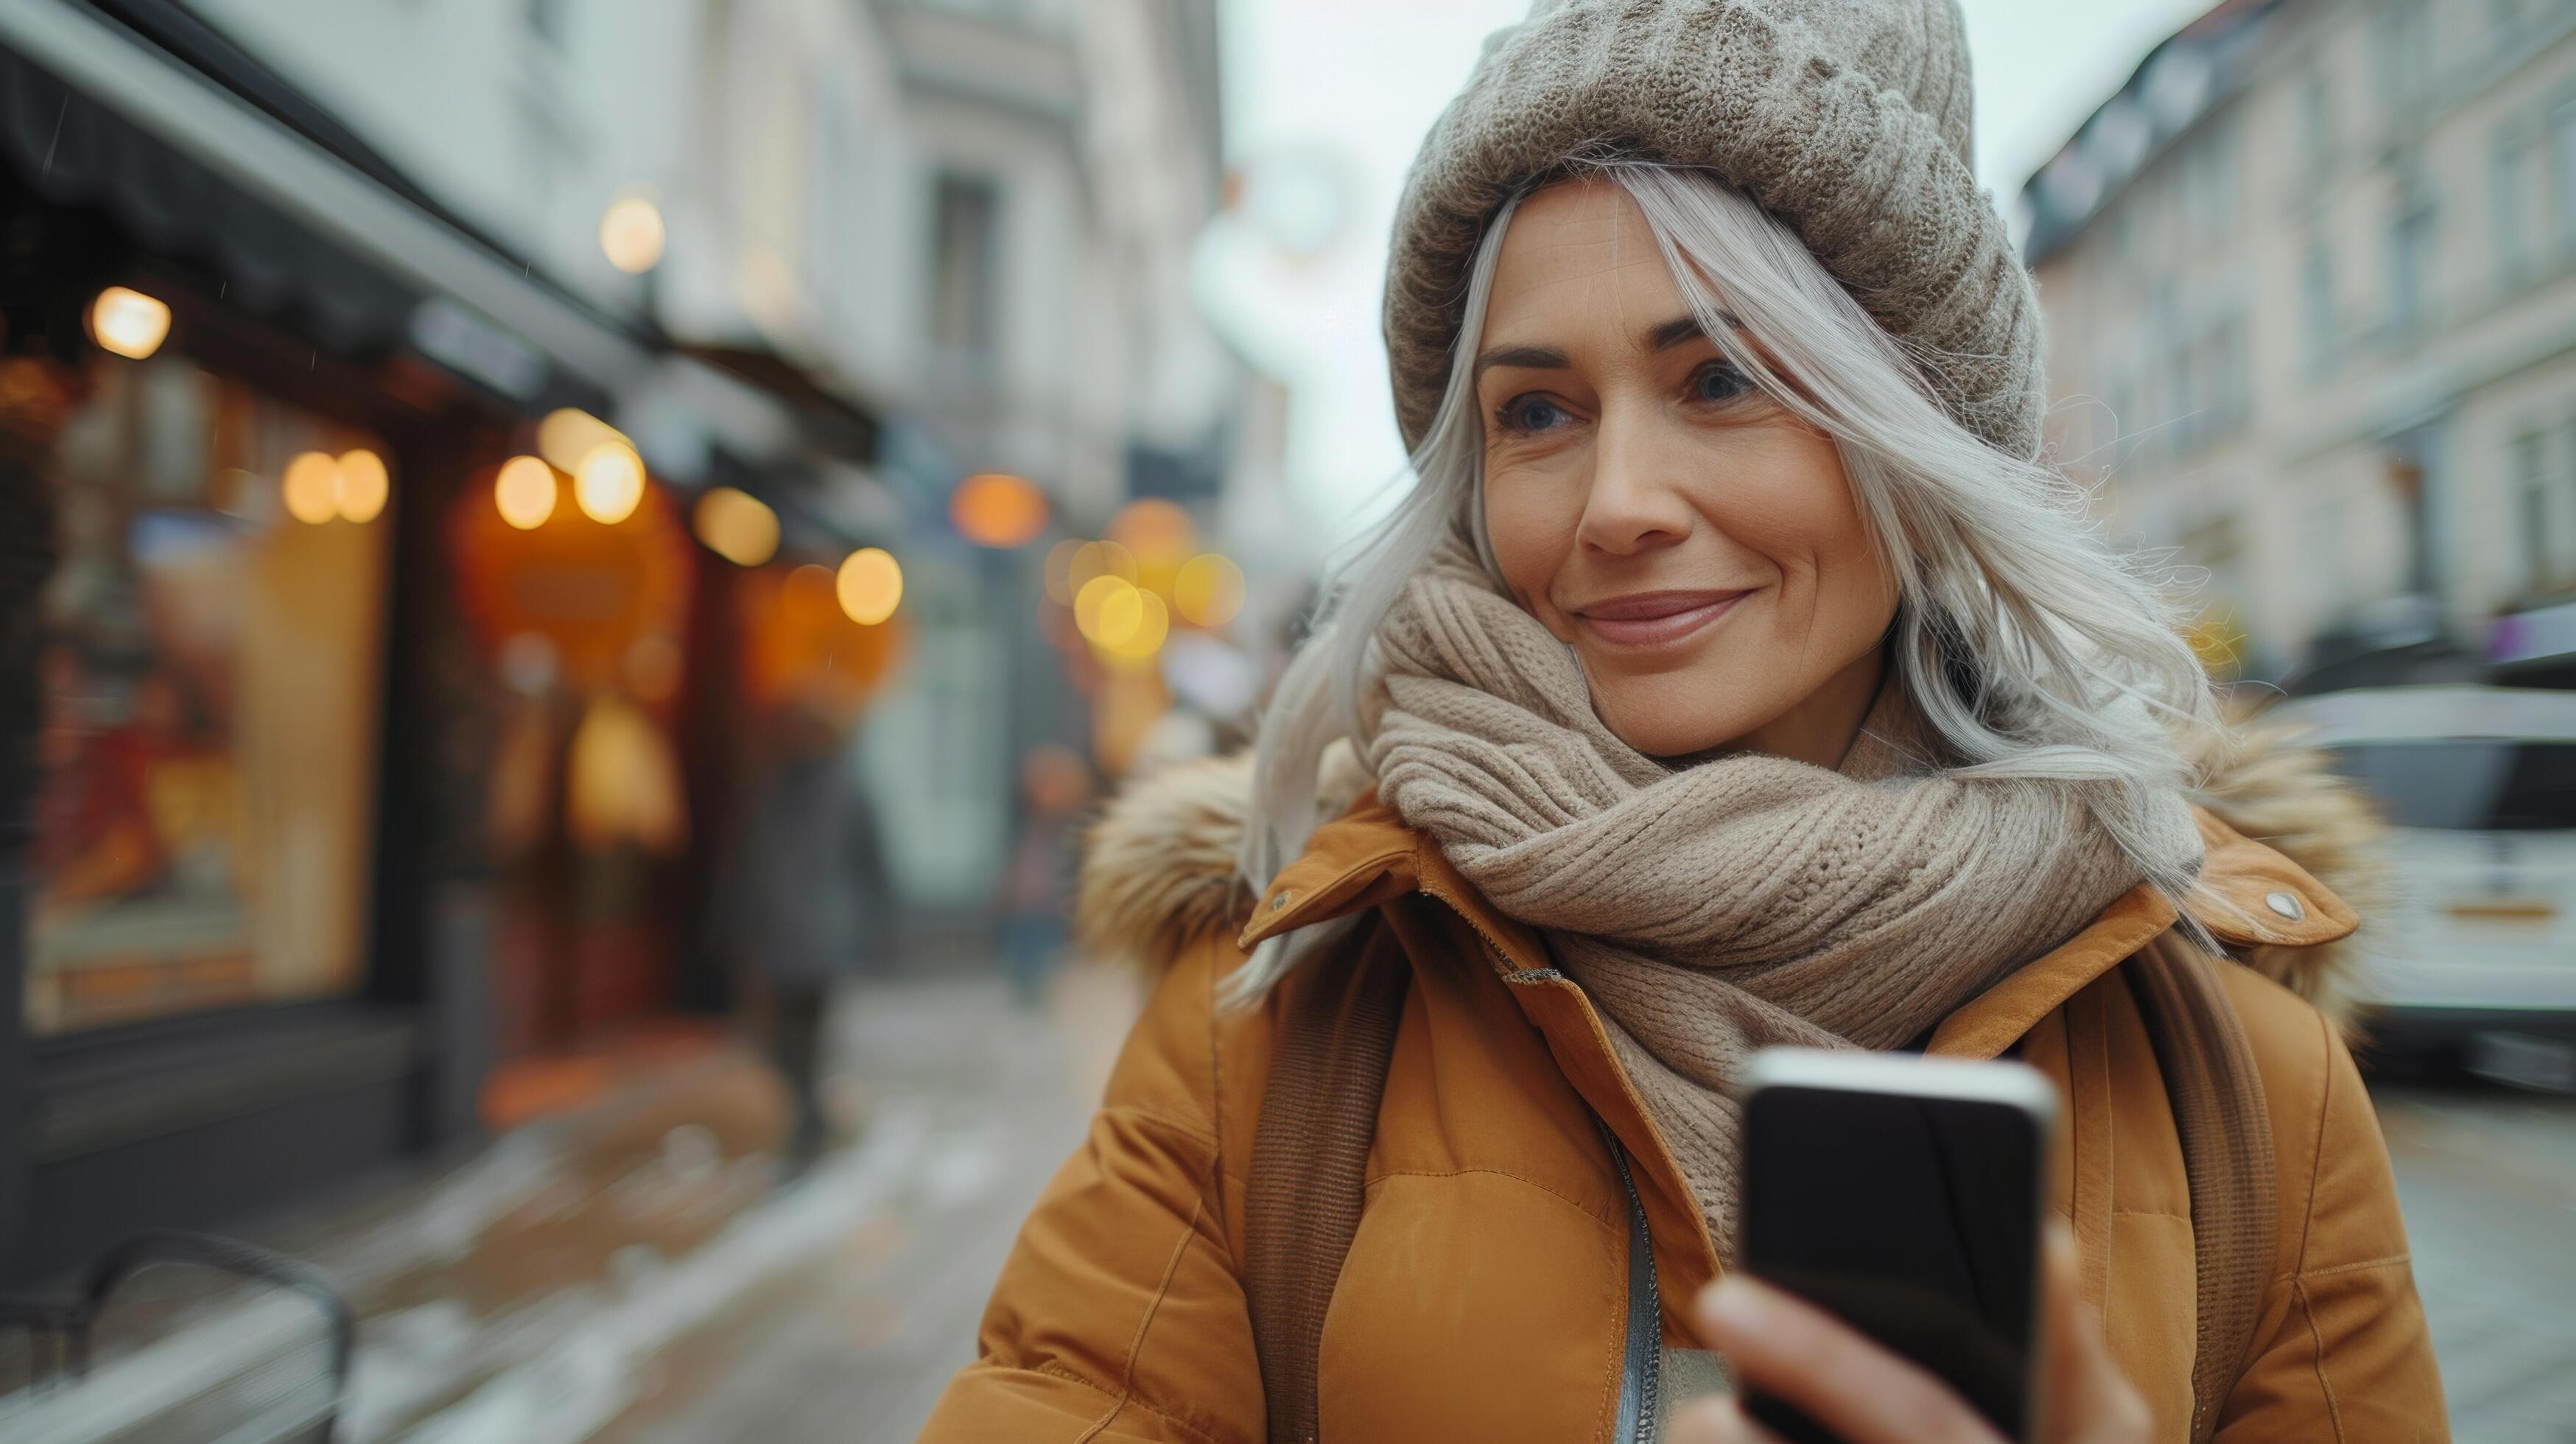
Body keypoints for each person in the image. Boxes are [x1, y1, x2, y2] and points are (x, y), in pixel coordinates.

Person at [919, 1, 2447, 1439]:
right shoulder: (1282, 1001)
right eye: (1538, 411)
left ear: (1914, 426)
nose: (1618, 504)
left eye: (1720, 377)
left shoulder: (2243, 1068)